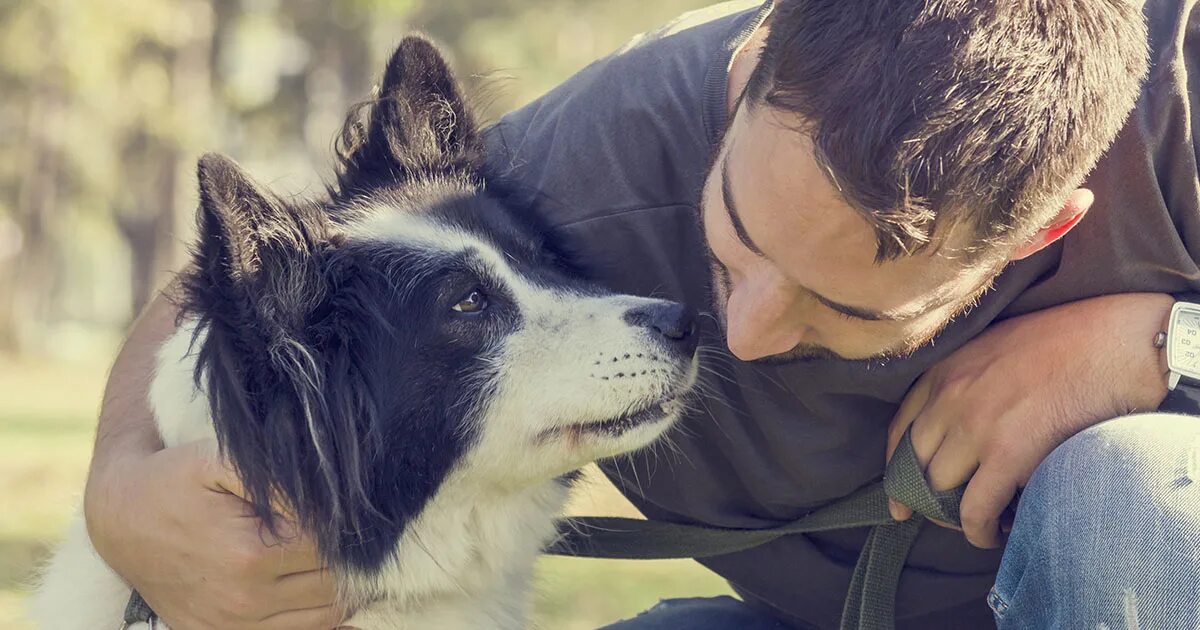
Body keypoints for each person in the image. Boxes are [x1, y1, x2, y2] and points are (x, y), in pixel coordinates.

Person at [83, 0, 1200, 628]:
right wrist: (119, 491)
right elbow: (279, 271)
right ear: (754, 66)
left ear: (1040, 232)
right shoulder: (596, 151)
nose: (746, 334)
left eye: (840, 308)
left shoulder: (1181, 98)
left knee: (1131, 493)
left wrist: (1151, 345)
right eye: (734, 242)